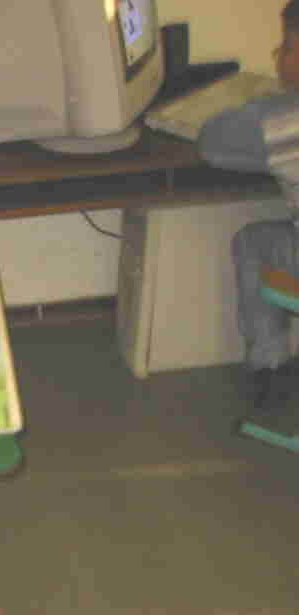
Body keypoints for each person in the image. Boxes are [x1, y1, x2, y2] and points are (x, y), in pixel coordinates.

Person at [198, 0, 299, 410]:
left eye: (286, 47)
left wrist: (262, 105)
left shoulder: (283, 120)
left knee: (253, 241)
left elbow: (211, 144)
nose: (278, 55)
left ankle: (271, 368)